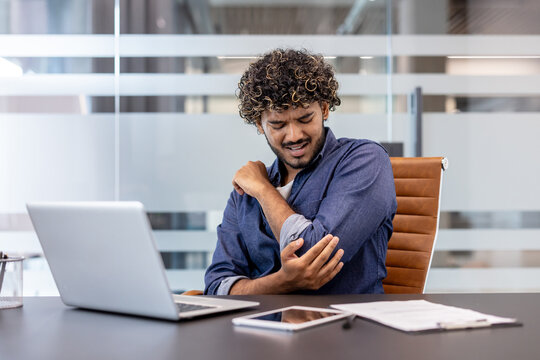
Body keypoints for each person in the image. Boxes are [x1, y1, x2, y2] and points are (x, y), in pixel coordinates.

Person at [204, 49, 397, 295]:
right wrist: (281, 282)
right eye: (278, 124)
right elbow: (216, 288)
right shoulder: (245, 193)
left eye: (305, 119)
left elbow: (312, 256)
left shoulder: (364, 160)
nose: (294, 136)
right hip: (257, 328)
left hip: (342, 326)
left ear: (325, 109)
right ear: (259, 124)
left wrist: (264, 191)